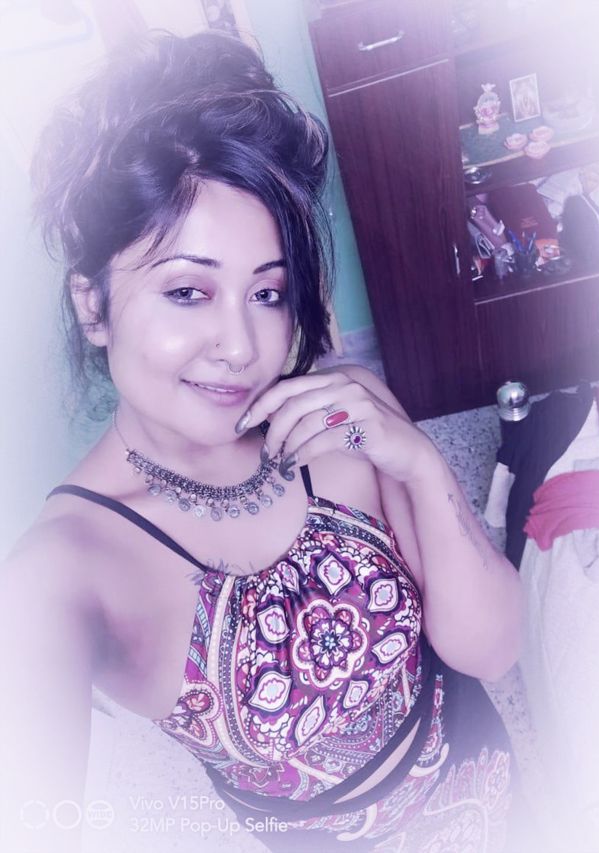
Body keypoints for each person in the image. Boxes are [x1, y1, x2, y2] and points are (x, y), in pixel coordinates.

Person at [0, 29, 524, 853]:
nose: (242, 347)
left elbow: (491, 649)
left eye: (269, 292)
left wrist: (422, 464)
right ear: (92, 306)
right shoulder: (59, 573)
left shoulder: (341, 416)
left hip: (497, 798)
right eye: (187, 291)